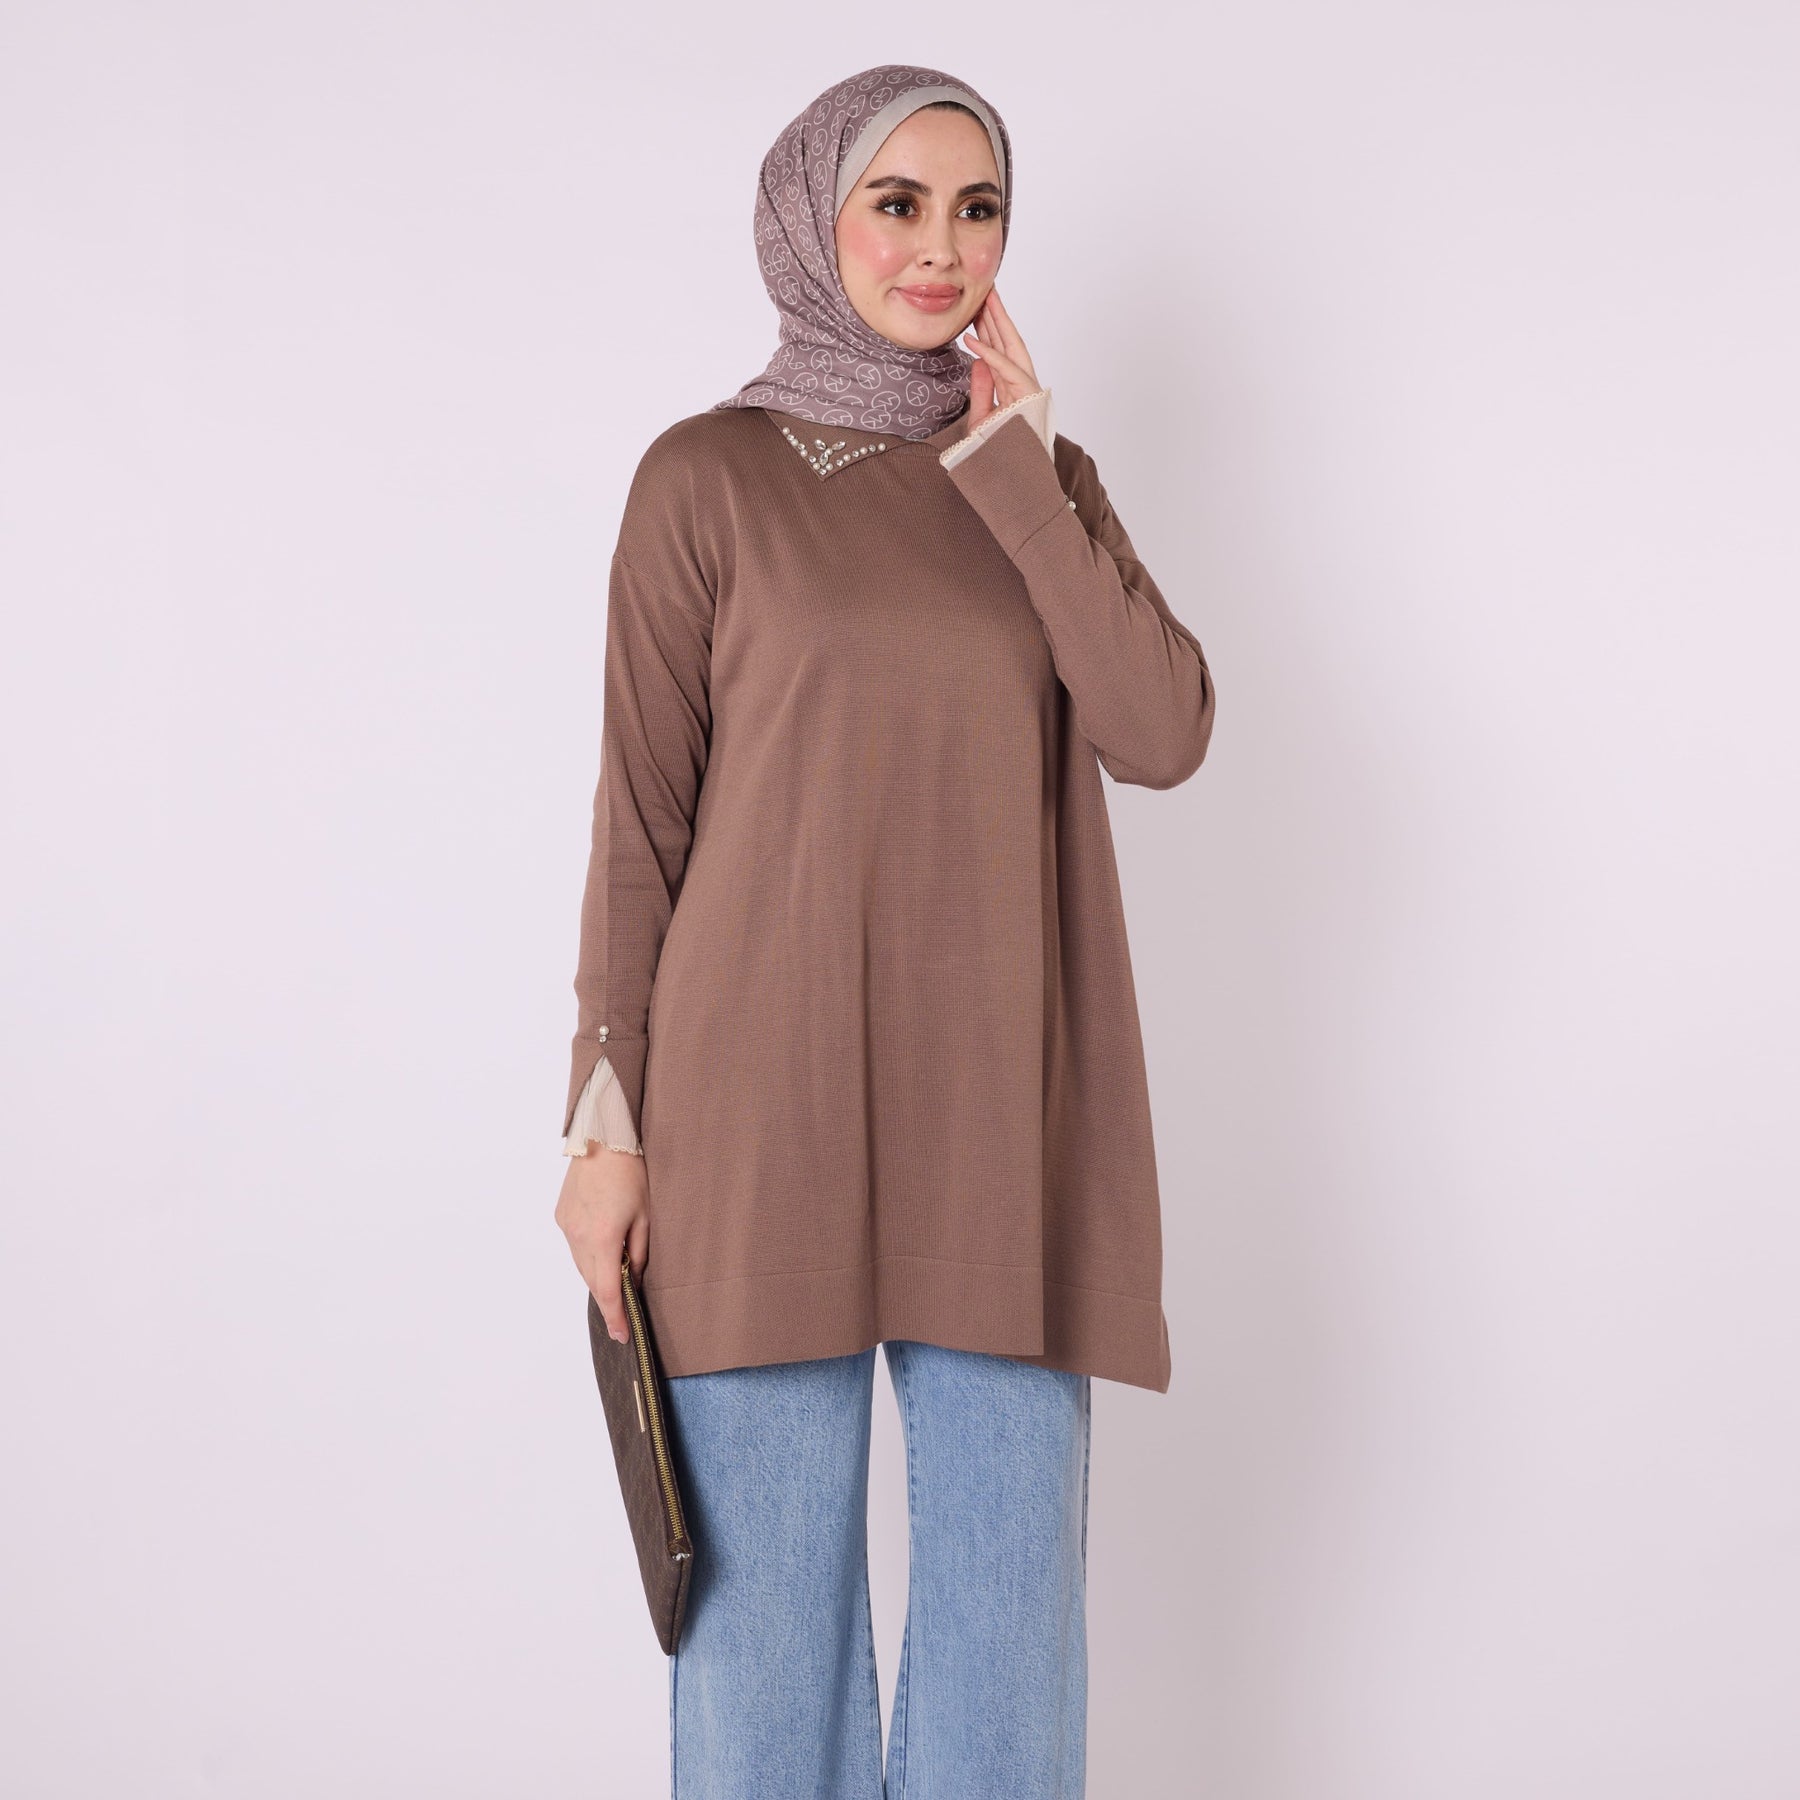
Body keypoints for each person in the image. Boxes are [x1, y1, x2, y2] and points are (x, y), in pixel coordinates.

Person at [553, 62, 1216, 1800]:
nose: (942, 249)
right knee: (762, 1648)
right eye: (898, 205)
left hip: (1006, 1116)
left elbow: (1162, 733)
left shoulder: (1037, 481)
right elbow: (641, 826)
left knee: (1011, 1638)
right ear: (811, 220)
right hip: (753, 1115)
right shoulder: (705, 480)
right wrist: (604, 1124)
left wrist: (1019, 471)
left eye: (977, 209)